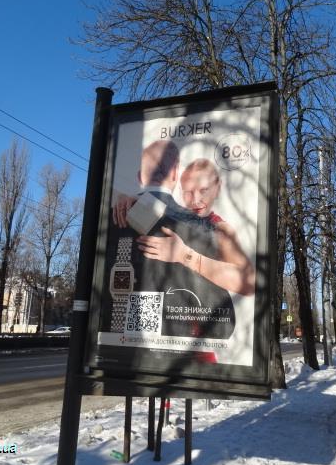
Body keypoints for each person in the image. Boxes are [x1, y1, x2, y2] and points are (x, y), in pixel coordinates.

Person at [105, 140, 235, 339]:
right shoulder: (201, 228)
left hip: (115, 341)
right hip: (179, 345)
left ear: (140, 177)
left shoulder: (110, 218)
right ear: (175, 173)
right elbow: (224, 327)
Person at [136, 158, 256, 296]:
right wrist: (130, 200)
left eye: (203, 190)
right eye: (188, 192)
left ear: (217, 188)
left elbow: (248, 284)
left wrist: (185, 256)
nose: (195, 200)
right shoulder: (179, 216)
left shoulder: (220, 230)